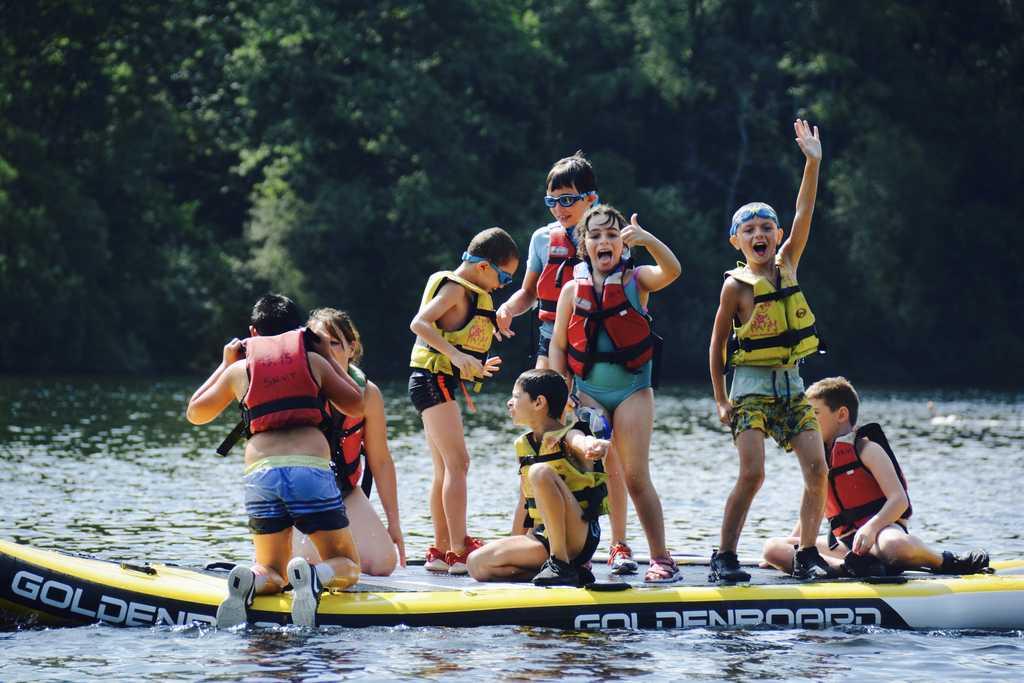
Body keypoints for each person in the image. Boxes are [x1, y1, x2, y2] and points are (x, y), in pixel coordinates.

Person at [494, 152, 635, 575]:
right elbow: (530, 293)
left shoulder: (607, 239)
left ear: (591, 198)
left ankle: (619, 544)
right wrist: (507, 310)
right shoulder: (543, 239)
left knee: (606, 448)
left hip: (594, 347)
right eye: (552, 201)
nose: (560, 209)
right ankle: (526, 536)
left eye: (568, 200)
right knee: (539, 440)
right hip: (549, 341)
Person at [187, 294, 365, 627]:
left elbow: (196, 413)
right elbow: (357, 405)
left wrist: (226, 364)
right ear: (300, 332)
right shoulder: (315, 363)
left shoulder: (240, 371)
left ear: (253, 333)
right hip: (309, 467)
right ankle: (313, 575)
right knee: (346, 564)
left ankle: (250, 581)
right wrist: (326, 353)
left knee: (271, 569)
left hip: (261, 472)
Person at [708, 119, 831, 582]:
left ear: (776, 236)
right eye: (749, 230)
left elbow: (804, 211)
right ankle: (724, 555)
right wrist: (721, 399)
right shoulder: (736, 289)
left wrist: (812, 163)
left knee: (818, 469)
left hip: (792, 387)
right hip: (751, 392)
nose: (759, 235)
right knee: (753, 473)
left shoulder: (789, 264)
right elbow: (717, 345)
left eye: (766, 228)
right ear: (736, 241)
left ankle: (807, 554)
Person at [549, 204, 683, 583]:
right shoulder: (572, 290)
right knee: (588, 476)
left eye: (612, 234)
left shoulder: (636, 279)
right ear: (584, 245)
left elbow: (672, 271)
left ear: (623, 245)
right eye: (595, 235)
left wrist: (646, 240)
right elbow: (559, 346)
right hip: (588, 392)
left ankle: (662, 558)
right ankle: (596, 551)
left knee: (635, 474)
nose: (604, 241)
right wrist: (562, 395)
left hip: (632, 391)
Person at [762, 377, 990, 576]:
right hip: (846, 547)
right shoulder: (819, 462)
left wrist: (871, 529)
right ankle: (850, 569)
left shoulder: (866, 449)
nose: (808, 421)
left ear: (841, 414)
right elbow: (811, 511)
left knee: (894, 546)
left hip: (882, 534)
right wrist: (796, 546)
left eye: (815, 413)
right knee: (772, 547)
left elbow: (899, 500)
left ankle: (942, 560)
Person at [408, 227, 519, 574]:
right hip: (431, 380)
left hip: (433, 380)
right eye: (504, 277)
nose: (503, 286)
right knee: (459, 463)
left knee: (444, 468)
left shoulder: (470, 293)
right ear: (484, 267)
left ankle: (440, 550)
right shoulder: (455, 288)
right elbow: (420, 324)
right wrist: (457, 356)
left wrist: (475, 365)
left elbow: (450, 340)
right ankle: (458, 549)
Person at [291, 308, 406, 576]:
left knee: (383, 563)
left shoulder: (368, 394)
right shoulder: (299, 386)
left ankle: (325, 572)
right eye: (319, 343)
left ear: (351, 348)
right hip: (301, 496)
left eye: (335, 342)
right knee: (305, 559)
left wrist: (394, 524)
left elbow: (380, 460)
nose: (327, 350)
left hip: (344, 490)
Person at [467, 369, 610, 586]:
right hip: (542, 538)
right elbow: (525, 503)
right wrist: (515, 541)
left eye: (516, 397)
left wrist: (594, 445)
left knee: (539, 472)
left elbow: (582, 441)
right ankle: (570, 573)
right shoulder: (523, 445)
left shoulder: (569, 435)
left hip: (578, 535)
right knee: (476, 564)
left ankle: (560, 564)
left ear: (538, 402)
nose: (509, 402)